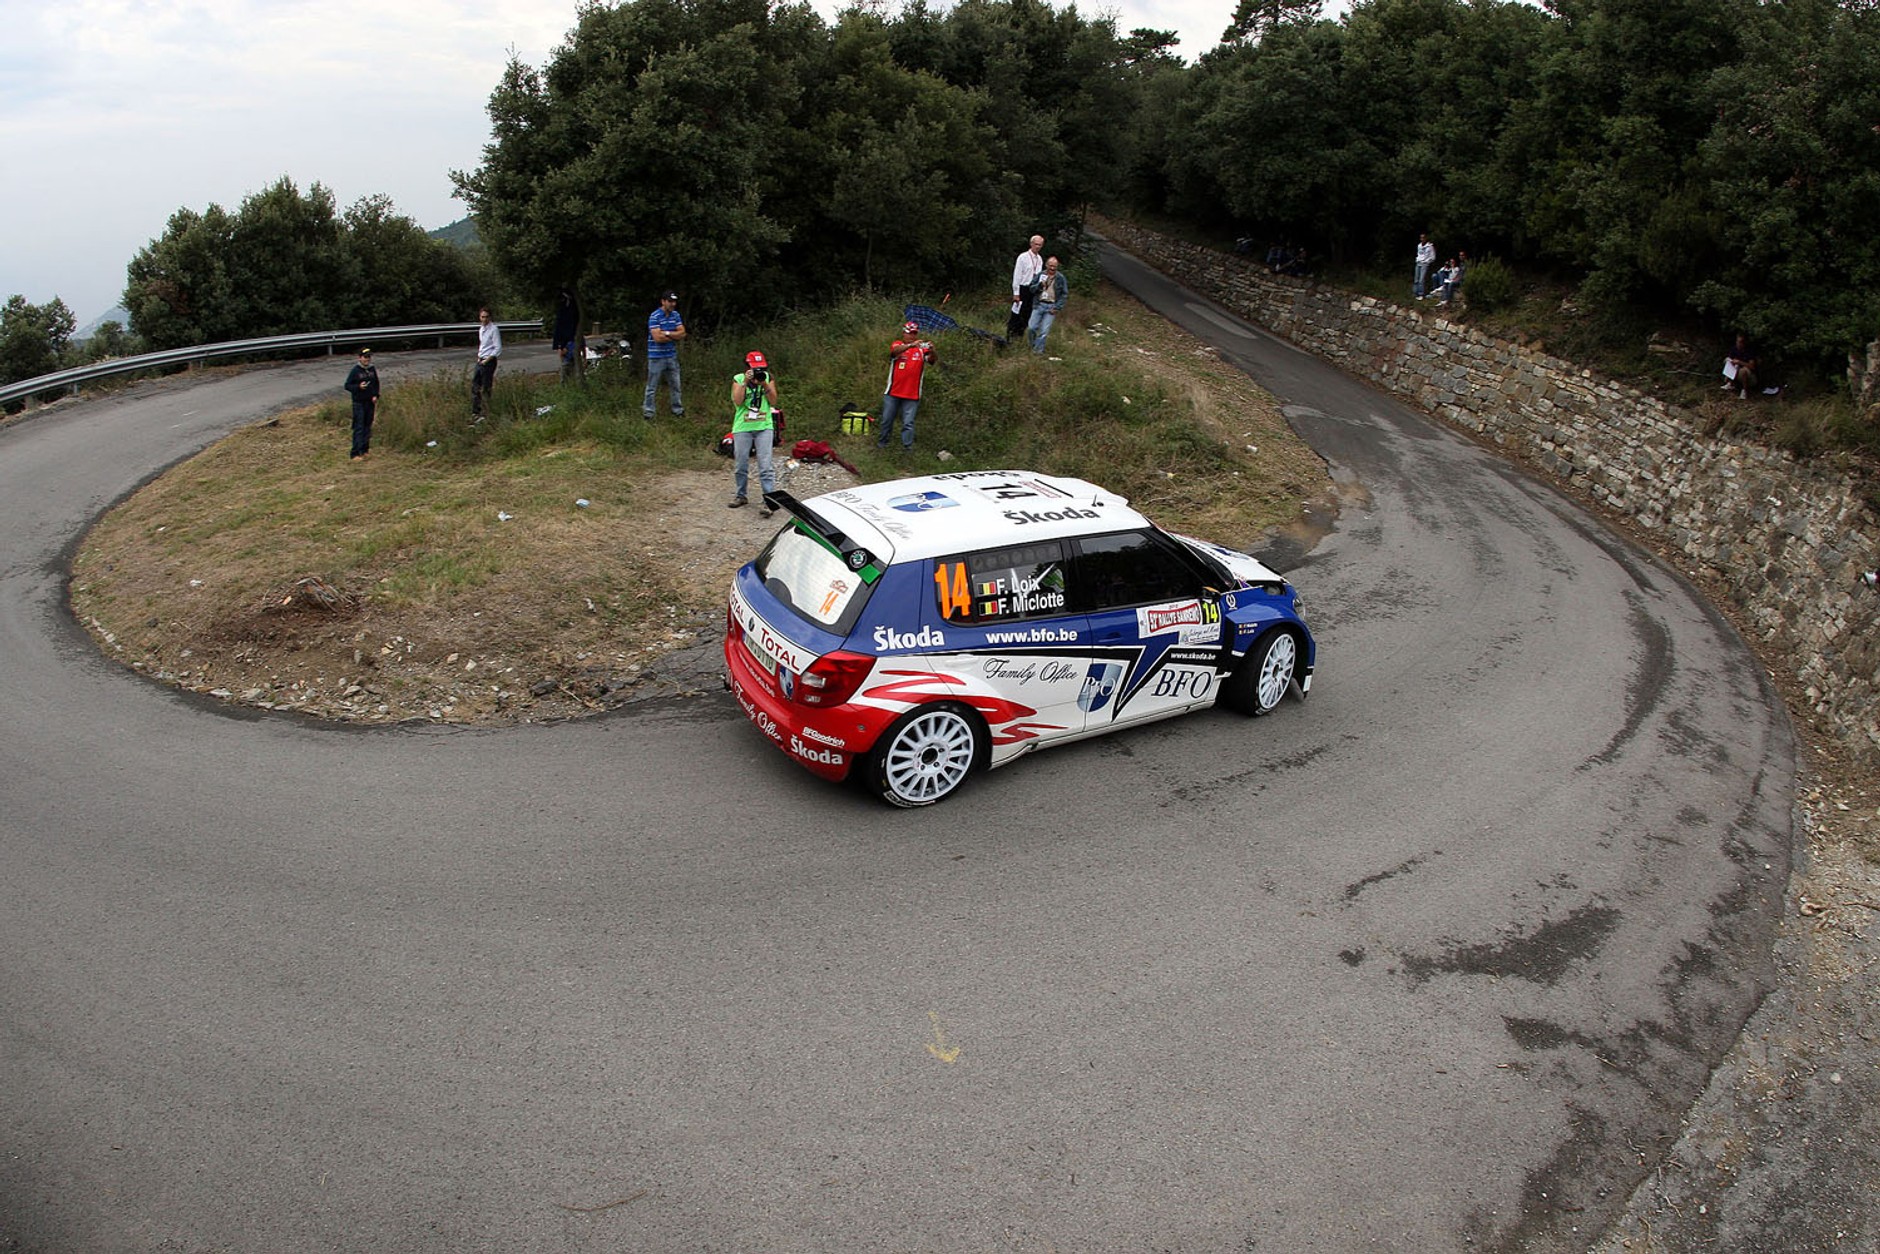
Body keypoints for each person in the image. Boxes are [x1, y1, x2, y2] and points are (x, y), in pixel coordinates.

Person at [729, 351, 779, 513]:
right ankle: (741, 495)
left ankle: (769, 500)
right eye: (755, 369)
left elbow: (773, 401)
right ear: (747, 367)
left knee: (765, 465)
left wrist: (764, 385)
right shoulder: (738, 379)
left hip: (764, 426)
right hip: (743, 426)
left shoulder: (767, 378)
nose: (759, 371)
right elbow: (738, 401)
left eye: (761, 368)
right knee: (741, 464)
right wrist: (745, 381)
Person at [879, 320, 937, 451]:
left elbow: (932, 361)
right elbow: (894, 352)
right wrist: (910, 345)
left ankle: (907, 448)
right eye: (910, 333)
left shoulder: (922, 349)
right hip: (893, 392)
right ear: (904, 333)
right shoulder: (898, 344)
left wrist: (933, 351)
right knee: (887, 420)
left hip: (912, 393)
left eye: (914, 334)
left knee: (908, 423)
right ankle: (882, 444)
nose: (912, 336)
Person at [644, 290, 686, 419]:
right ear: (663, 301)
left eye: (674, 301)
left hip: (671, 355)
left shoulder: (675, 315)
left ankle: (677, 410)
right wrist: (674, 335)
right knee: (652, 386)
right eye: (670, 301)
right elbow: (657, 338)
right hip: (656, 357)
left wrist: (667, 333)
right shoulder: (655, 316)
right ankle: (649, 412)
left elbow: (682, 333)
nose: (672, 304)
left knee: (675, 385)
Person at [343, 346, 379, 461]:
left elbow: (376, 383)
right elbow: (347, 385)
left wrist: (375, 395)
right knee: (359, 427)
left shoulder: (372, 369)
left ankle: (364, 450)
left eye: (369, 357)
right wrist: (358, 387)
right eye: (365, 357)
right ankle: (355, 453)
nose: (367, 359)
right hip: (359, 403)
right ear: (359, 358)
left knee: (367, 426)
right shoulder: (355, 371)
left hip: (370, 402)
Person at [1006, 234, 1044, 341]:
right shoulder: (1023, 257)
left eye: (1040, 245)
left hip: (1033, 290)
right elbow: (1017, 275)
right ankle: (1010, 337)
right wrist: (1016, 293)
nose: (1037, 247)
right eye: (1036, 244)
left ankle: (1019, 336)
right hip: (1023, 288)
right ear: (1031, 244)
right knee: (1016, 314)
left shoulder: (1040, 259)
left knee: (1027, 315)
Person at [1027, 256, 1068, 355]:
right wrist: (1039, 285)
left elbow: (1064, 294)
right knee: (1031, 328)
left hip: (1051, 307)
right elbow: (1031, 288)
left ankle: (1038, 352)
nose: (1052, 268)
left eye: (1054, 266)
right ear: (1046, 265)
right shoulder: (1040, 275)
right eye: (1050, 265)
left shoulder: (1060, 278)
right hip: (1039, 304)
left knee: (1044, 331)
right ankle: (1033, 345)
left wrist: (1057, 307)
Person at [471, 307, 501, 422]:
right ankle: (476, 411)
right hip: (481, 359)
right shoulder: (481, 329)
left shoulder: (494, 329)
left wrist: (486, 360)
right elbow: (483, 345)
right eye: (482, 317)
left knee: (486, 388)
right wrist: (479, 358)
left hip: (488, 361)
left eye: (487, 317)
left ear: (490, 317)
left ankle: (486, 412)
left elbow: (497, 348)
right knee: (475, 386)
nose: (484, 319)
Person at [552, 286, 581, 384]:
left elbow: (561, 327)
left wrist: (560, 345)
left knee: (569, 366)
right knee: (566, 366)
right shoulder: (565, 307)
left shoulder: (569, 307)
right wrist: (559, 346)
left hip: (570, 341)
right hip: (567, 342)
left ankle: (570, 384)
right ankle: (567, 385)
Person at [1723, 332, 1760, 399]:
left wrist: (1740, 362)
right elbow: (1730, 359)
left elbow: (1752, 366)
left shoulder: (1749, 351)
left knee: (1743, 371)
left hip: (1749, 375)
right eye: (1737, 342)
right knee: (1731, 365)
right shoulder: (1734, 349)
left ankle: (1744, 391)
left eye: (1741, 342)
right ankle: (1730, 383)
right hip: (1736, 372)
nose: (1739, 344)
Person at [1414, 233, 1436, 300]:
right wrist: (1417, 259)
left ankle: (1421, 294)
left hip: (1424, 264)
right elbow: (1418, 254)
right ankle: (1416, 293)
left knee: (1421, 279)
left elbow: (1433, 257)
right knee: (1416, 279)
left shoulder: (1430, 246)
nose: (1422, 239)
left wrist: (1427, 262)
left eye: (1423, 238)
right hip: (1418, 263)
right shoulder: (1419, 245)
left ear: (1426, 238)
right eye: (1421, 238)